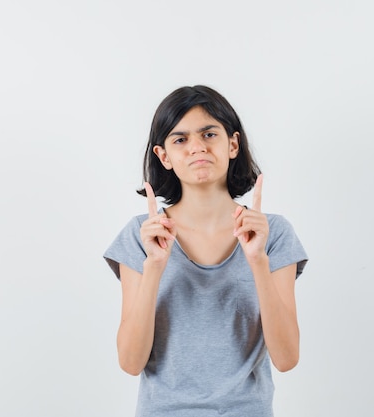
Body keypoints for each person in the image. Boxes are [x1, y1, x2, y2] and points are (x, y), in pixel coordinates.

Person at [103, 85, 308, 417]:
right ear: (164, 156)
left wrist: (257, 260)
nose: (197, 147)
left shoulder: (274, 233)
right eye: (180, 139)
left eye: (209, 134)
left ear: (232, 144)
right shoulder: (140, 234)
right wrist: (155, 265)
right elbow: (130, 362)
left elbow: (287, 358)